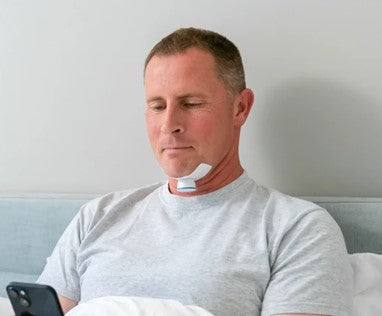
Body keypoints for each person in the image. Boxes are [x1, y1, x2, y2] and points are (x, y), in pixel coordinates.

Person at [37, 27, 352, 315]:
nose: (169, 124)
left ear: (240, 107)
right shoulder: (97, 216)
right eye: (157, 106)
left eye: (190, 103)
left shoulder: (296, 228)